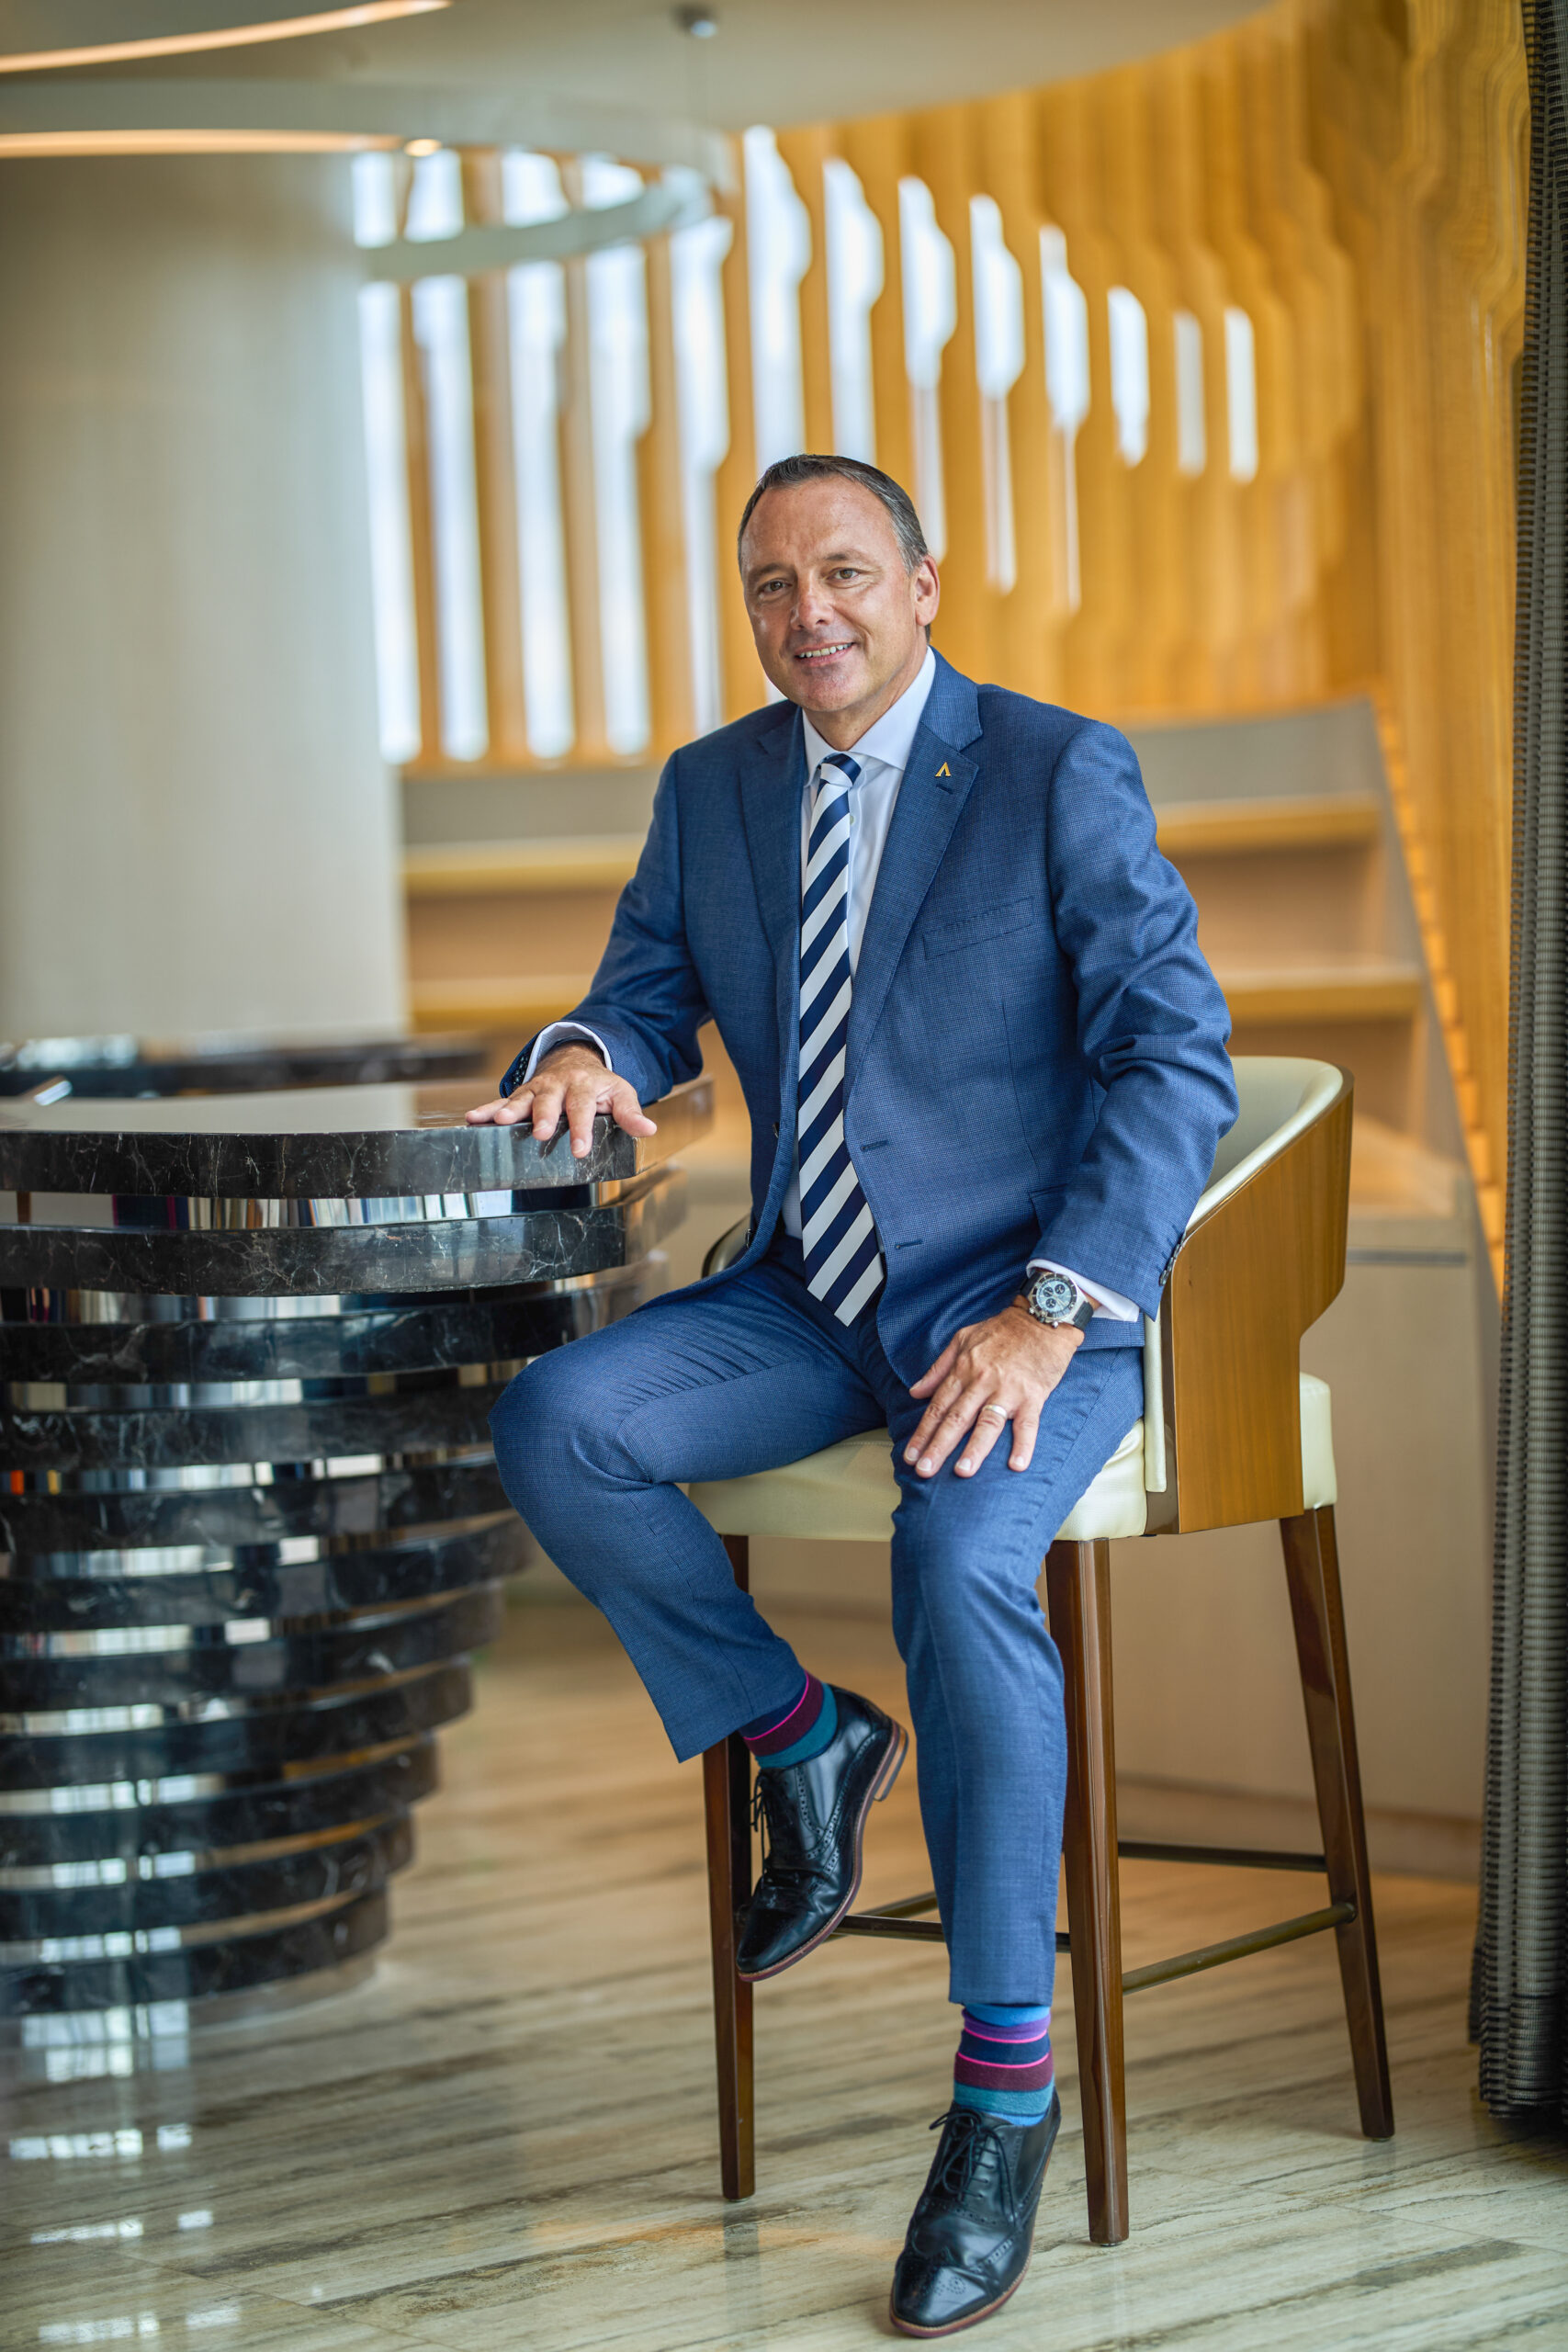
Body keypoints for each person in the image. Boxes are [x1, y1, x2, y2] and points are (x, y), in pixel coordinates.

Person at [469, 453, 1235, 2336]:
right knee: (556, 1424)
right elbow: (644, 992)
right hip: (810, 1298)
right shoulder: (713, 786)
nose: (805, 612)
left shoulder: (1053, 769)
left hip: (1016, 1303)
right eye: (768, 584)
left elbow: (1174, 1058)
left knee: (955, 1556)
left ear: (922, 582)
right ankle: (800, 1733)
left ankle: (1001, 2094)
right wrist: (587, 1048)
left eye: (842, 573)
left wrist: (1051, 1309)